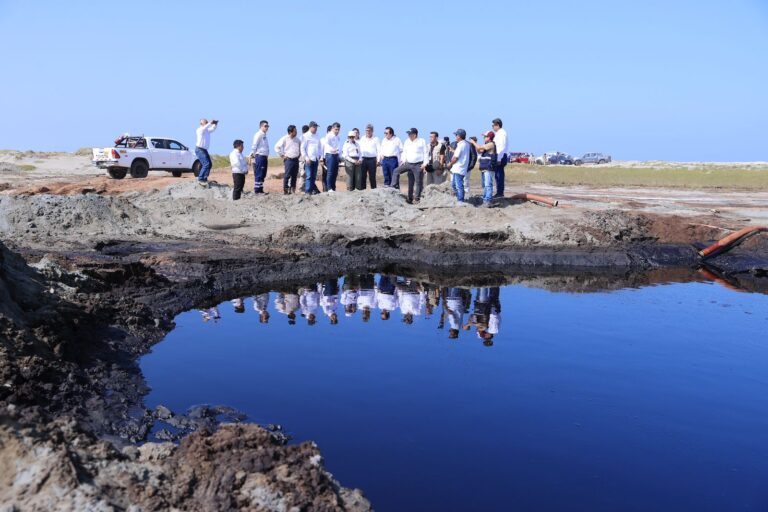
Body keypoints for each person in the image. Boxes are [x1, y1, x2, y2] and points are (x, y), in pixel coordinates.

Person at [393, 128, 428, 204]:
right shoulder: (407, 141)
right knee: (396, 171)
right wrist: (403, 160)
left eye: (410, 134)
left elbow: (425, 153)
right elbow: (404, 152)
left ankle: (417, 198)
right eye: (408, 134)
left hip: (418, 164)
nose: (408, 135)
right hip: (408, 164)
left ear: (414, 135)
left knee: (418, 182)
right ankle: (394, 187)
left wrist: (425, 164)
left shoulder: (421, 141)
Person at [470, 131, 497, 206]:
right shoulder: (486, 145)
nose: (484, 138)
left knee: (488, 184)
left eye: (485, 136)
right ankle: (485, 199)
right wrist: (474, 145)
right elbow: (479, 150)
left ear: (489, 137)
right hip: (485, 167)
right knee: (484, 185)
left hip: (489, 168)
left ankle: (488, 200)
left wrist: (473, 142)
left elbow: (479, 147)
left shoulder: (491, 144)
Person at [274, 125, 301, 194]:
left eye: (296, 130)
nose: (296, 132)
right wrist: (282, 155)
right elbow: (277, 147)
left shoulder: (298, 140)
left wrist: (299, 155)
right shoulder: (285, 138)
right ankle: (286, 189)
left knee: (294, 175)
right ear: (290, 132)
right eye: (295, 131)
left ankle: (292, 190)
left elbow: (300, 148)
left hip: (296, 159)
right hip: (288, 159)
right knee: (287, 175)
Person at [300, 121, 323, 194]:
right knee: (309, 176)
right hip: (309, 159)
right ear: (310, 127)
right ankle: (308, 191)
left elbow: (319, 147)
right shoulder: (305, 136)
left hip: (316, 158)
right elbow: (302, 148)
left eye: (316, 127)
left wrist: (319, 156)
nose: (315, 128)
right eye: (314, 127)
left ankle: (312, 190)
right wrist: (306, 158)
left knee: (313, 176)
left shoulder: (317, 135)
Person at [448, 129, 470, 202]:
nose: (455, 136)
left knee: (458, 185)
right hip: (460, 167)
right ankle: (459, 198)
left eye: (456, 135)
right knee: (455, 185)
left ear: (459, 136)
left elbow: (455, 157)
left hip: (459, 168)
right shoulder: (466, 144)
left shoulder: (461, 144)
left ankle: (460, 200)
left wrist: (450, 164)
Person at [195, 118, 218, 186]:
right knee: (206, 164)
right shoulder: (199, 130)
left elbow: (213, 129)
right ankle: (201, 178)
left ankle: (204, 178)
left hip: (204, 150)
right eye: (206, 122)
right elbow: (205, 127)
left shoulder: (207, 130)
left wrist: (215, 124)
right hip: (199, 149)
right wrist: (210, 123)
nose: (207, 123)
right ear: (201, 124)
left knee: (209, 164)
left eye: (207, 122)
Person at [250, 120, 270, 194]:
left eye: (267, 126)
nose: (267, 127)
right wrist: (253, 156)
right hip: (259, 156)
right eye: (265, 126)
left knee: (263, 174)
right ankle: (257, 190)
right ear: (261, 126)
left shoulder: (264, 135)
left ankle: (260, 189)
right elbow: (254, 145)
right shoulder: (258, 134)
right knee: (259, 173)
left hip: (264, 157)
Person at [322, 122, 342, 192]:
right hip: (330, 155)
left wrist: (339, 155)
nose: (337, 131)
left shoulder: (338, 137)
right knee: (330, 172)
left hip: (336, 155)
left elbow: (339, 146)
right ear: (332, 128)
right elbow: (326, 144)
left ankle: (333, 188)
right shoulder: (329, 135)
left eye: (338, 130)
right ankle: (329, 188)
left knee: (335, 172)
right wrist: (332, 149)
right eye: (336, 129)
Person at [359, 124, 380, 189]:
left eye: (369, 130)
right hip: (364, 159)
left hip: (372, 159)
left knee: (372, 176)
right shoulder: (362, 138)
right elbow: (359, 149)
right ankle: (363, 190)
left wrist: (378, 160)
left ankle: (374, 190)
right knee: (363, 176)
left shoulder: (376, 139)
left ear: (372, 131)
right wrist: (360, 159)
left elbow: (379, 150)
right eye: (366, 130)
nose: (368, 132)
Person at [492, 118, 508, 198]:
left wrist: (498, 159)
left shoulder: (501, 133)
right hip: (499, 155)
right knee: (498, 175)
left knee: (499, 175)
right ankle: (499, 192)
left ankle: (500, 193)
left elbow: (501, 147)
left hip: (500, 156)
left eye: (493, 125)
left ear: (497, 125)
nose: (492, 127)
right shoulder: (499, 133)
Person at [299, 124, 310, 191]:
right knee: (303, 174)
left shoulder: (301, 137)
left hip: (304, 157)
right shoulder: (303, 138)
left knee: (306, 173)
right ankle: (301, 188)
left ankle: (305, 188)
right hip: (303, 158)